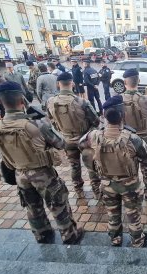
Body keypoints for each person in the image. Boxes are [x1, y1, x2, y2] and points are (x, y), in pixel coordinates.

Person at [0, 81, 84, 244]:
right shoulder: (37, 123)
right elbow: (61, 143)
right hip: (43, 174)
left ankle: (42, 235)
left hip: (19, 174)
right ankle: (69, 235)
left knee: (32, 208)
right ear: (23, 100)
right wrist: (39, 118)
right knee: (58, 205)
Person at [79, 95, 147, 248]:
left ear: (104, 116)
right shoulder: (133, 138)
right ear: (123, 116)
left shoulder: (94, 136)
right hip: (130, 185)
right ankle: (137, 240)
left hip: (107, 183)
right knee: (133, 214)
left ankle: (115, 239)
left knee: (112, 213)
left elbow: (81, 145)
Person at [46, 72, 101, 200]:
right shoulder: (81, 102)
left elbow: (51, 120)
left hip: (66, 139)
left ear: (58, 85)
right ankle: (97, 190)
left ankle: (78, 188)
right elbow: (96, 121)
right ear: (72, 83)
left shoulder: (51, 102)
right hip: (84, 140)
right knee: (91, 165)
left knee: (74, 165)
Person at [122, 68, 147, 201]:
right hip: (146, 139)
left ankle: (132, 193)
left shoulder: (118, 100)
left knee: (129, 168)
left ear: (124, 82)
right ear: (138, 80)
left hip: (127, 140)